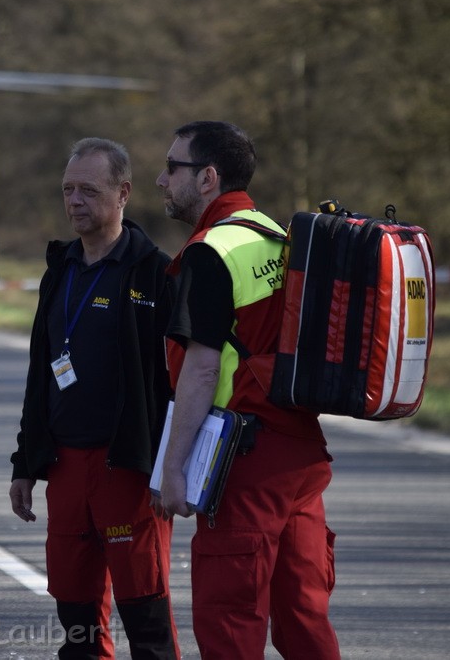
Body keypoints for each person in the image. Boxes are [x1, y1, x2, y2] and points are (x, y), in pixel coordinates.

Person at [156, 121, 340, 659]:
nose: (161, 180)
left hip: (244, 459)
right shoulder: (279, 237)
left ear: (208, 177)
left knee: (230, 623)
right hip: (301, 455)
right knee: (305, 620)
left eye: (173, 167)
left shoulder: (211, 250)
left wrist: (174, 466)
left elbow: (202, 369)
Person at [9, 137, 180, 659]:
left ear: (124, 193)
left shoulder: (156, 272)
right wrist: (25, 463)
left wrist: (168, 466)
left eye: (88, 189)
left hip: (126, 470)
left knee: (145, 621)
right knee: (77, 623)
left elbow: (175, 383)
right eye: (67, 190)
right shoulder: (58, 270)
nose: (75, 201)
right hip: (65, 468)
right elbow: (41, 373)